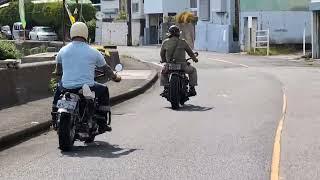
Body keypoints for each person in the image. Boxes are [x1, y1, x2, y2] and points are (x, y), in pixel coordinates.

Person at [51, 22, 121, 132]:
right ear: (86, 34)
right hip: (86, 87)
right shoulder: (94, 52)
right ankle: (102, 122)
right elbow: (106, 70)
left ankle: (54, 117)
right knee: (104, 89)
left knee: (58, 88)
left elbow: (58, 71)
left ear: (72, 33)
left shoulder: (62, 51)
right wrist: (116, 78)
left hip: (66, 87)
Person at [160, 25, 199, 96]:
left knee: (163, 72)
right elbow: (190, 53)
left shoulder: (165, 42)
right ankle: (192, 88)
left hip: (170, 65)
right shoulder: (183, 42)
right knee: (193, 70)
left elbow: (162, 54)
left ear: (169, 33)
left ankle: (165, 88)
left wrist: (163, 60)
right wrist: (194, 59)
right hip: (183, 66)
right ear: (178, 33)